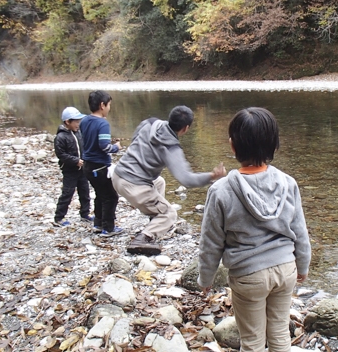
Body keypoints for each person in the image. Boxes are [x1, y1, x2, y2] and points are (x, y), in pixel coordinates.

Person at [197, 107, 311, 352]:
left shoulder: (221, 191)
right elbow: (300, 230)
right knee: (280, 334)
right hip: (285, 269)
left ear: (233, 145)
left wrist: (206, 277)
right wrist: (303, 265)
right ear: (274, 145)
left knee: (251, 340)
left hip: (248, 275)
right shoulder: (288, 183)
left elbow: (211, 241)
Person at [112, 105, 226, 255]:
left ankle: (154, 220)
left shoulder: (151, 122)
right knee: (170, 214)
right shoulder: (171, 147)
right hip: (133, 185)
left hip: (117, 175)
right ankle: (143, 239)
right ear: (186, 128)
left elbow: (135, 139)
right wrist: (212, 175)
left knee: (159, 182)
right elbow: (187, 179)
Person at [80, 90, 122, 237]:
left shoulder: (84, 120)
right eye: (109, 104)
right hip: (100, 166)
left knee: (100, 194)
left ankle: (98, 223)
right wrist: (116, 147)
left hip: (87, 166)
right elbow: (104, 146)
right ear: (102, 105)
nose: (109, 108)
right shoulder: (103, 123)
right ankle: (108, 228)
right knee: (111, 196)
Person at [53, 106, 91, 227]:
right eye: (76, 122)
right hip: (70, 170)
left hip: (82, 170)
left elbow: (84, 147)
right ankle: (59, 217)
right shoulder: (60, 137)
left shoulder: (78, 133)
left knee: (85, 192)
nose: (78, 124)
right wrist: (75, 161)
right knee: (67, 193)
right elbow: (61, 154)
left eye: (79, 121)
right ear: (67, 122)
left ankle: (85, 214)